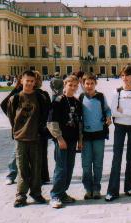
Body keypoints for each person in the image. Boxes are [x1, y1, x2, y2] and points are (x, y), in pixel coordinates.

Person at [6, 70, 49, 207]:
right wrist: (18, 131)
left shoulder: (39, 97)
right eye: (27, 81)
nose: (29, 83)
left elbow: (44, 115)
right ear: (21, 81)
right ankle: (21, 195)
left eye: (32, 81)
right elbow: (11, 116)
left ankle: (36, 193)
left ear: (35, 82)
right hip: (21, 138)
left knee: (36, 168)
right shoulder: (15, 98)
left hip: (36, 138)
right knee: (22, 168)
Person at [106, 66, 131, 201]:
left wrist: (124, 111)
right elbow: (114, 112)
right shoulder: (117, 92)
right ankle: (112, 190)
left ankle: (129, 187)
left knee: (130, 157)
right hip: (120, 127)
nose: (126, 78)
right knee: (117, 158)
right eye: (123, 75)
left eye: (128, 75)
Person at [47, 75, 82, 209]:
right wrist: (59, 138)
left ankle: (62, 193)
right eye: (70, 85)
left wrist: (80, 140)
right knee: (61, 168)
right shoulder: (58, 101)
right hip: (62, 140)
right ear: (65, 85)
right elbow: (51, 122)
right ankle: (55, 195)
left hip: (73, 140)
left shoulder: (77, 102)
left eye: (75, 86)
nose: (72, 88)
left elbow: (79, 123)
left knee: (70, 167)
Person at [78, 73, 112, 200]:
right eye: (87, 83)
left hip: (99, 135)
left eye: (92, 83)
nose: (89, 86)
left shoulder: (101, 97)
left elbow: (107, 109)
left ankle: (97, 188)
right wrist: (79, 138)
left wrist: (108, 117)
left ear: (95, 84)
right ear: (83, 84)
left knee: (98, 164)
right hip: (86, 136)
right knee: (86, 165)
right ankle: (88, 189)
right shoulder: (81, 98)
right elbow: (78, 118)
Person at [0, 75, 23, 185]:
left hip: (32, 128)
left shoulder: (35, 92)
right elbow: (4, 104)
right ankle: (11, 174)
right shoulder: (18, 90)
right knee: (17, 151)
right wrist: (13, 120)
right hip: (20, 129)